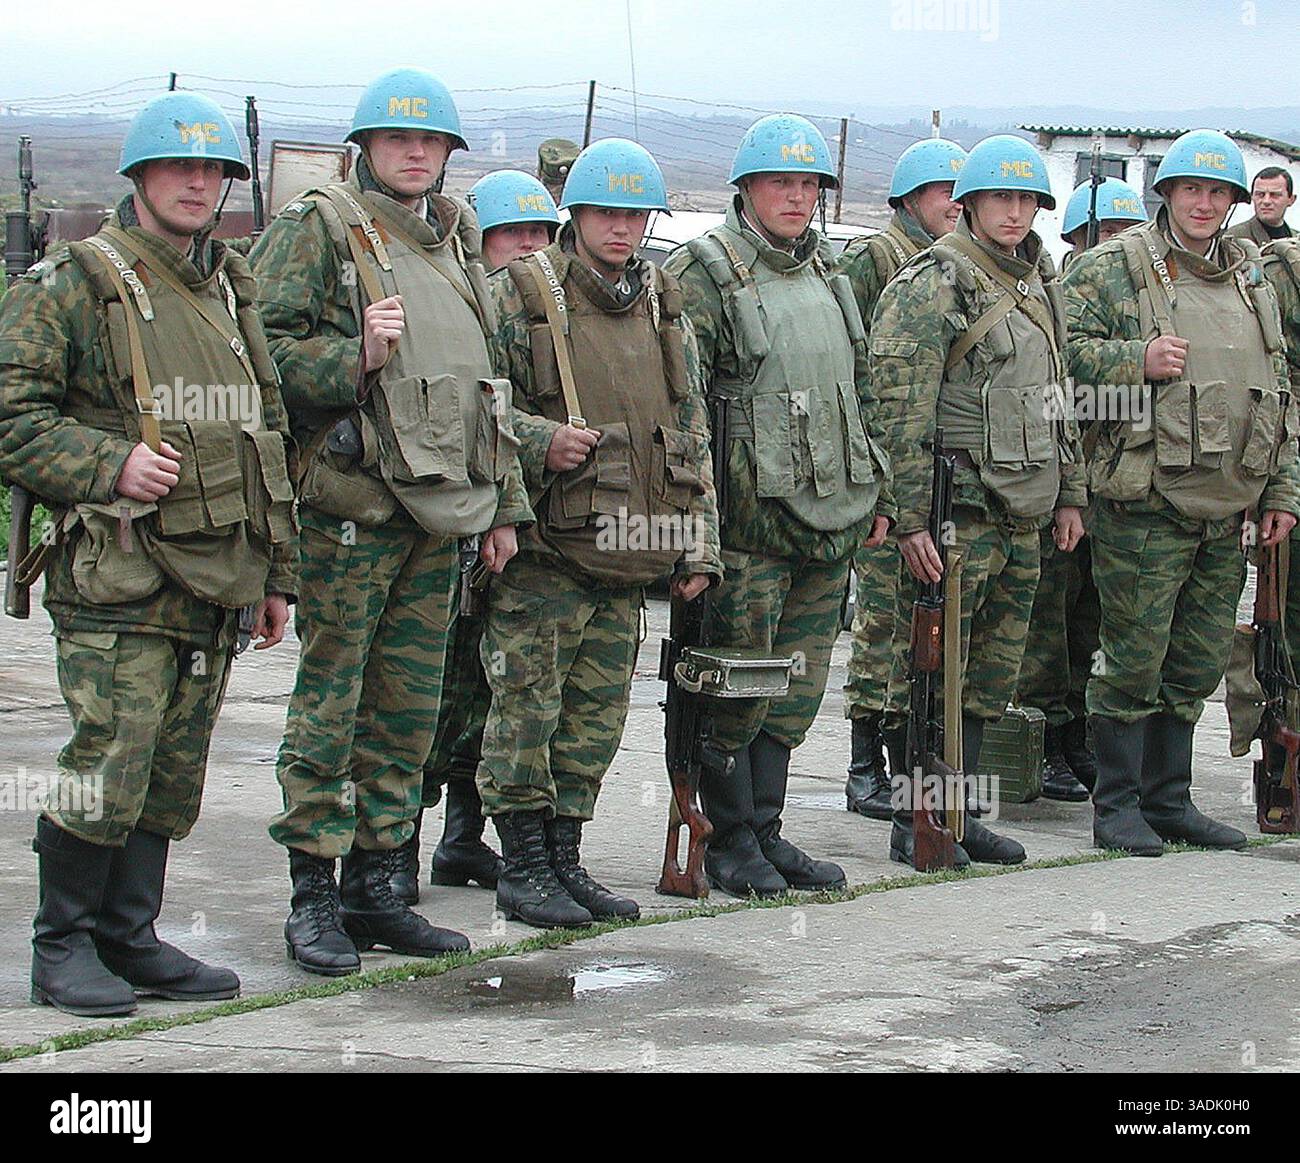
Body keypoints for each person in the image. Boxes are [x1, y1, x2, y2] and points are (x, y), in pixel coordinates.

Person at [0, 91, 296, 1015]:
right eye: (179, 167)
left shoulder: (230, 285)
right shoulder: (74, 282)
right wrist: (109, 463)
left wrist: (276, 572)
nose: (198, 182)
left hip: (217, 573)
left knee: (170, 769)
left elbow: (268, 433)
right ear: (139, 176)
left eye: (213, 170)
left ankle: (129, 935)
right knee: (109, 756)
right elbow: (13, 418)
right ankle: (63, 947)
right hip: (119, 575)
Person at [251, 68, 533, 974]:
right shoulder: (318, 227)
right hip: (350, 514)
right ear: (364, 147)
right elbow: (262, 361)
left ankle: (381, 884)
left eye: (431, 143)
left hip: (438, 516)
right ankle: (313, 893)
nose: (415, 154)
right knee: (333, 704)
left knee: (408, 711)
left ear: (449, 156)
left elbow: (488, 391)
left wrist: (502, 505)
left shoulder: (453, 240)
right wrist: (351, 356)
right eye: (397, 140)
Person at [481, 137, 722, 928]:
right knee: (528, 709)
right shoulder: (520, 293)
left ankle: (564, 859)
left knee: (594, 721)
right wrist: (534, 440)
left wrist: (699, 543)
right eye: (606, 213)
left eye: (634, 215)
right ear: (574, 214)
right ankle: (521, 866)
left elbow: (689, 432)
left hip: (631, 548)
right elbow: (474, 408)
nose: (621, 229)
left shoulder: (660, 302)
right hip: (547, 552)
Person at [666, 114, 892, 897]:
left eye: (808, 185)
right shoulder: (706, 272)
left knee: (796, 689)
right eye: (780, 183)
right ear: (747, 189)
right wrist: (697, 531)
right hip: (748, 531)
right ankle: (725, 840)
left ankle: (765, 828)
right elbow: (681, 403)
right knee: (739, 684)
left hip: (829, 518)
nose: (795, 198)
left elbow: (859, 391)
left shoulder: (831, 273)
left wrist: (879, 493)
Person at [1064, 129, 1300, 855]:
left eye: (1218, 192)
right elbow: (1059, 359)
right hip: (1144, 502)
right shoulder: (1114, 266)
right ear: (1165, 193)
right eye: (1191, 189)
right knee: (1132, 658)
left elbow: (1281, 387)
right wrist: (1134, 358)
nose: (1204, 203)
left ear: (1235, 202)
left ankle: (1171, 799)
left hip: (1228, 505)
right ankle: (1119, 805)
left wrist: (1281, 490)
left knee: (1195, 661)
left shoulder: (1251, 277)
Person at [871, 134, 1086, 868]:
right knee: (931, 675)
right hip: (954, 510)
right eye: (1002, 197)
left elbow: (1057, 400)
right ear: (968, 203)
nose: (1017, 211)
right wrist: (905, 518)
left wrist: (1071, 493)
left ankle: (961, 811)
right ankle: (915, 819)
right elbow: (896, 403)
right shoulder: (934, 279)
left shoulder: (1040, 285)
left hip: (1021, 510)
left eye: (1028, 199)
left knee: (989, 682)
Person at [391, 168, 564, 906]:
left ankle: (463, 839)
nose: (528, 248)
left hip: (513, 535)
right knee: (429, 701)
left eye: (540, 234)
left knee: (485, 702)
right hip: (445, 528)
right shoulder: (461, 306)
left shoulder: (542, 313)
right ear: (482, 240)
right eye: (514, 234)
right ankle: (394, 850)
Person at [838, 137, 966, 820]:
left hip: (928, 467)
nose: (953, 202)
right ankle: (864, 764)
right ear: (910, 198)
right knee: (883, 621)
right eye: (941, 190)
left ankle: (903, 764)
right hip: (883, 466)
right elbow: (862, 370)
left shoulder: (949, 267)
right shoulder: (875, 259)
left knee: (917, 627)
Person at [1017, 177, 1147, 800]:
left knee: (1091, 623)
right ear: (1076, 238)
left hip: (1112, 484)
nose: (1115, 245)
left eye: (1126, 234)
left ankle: (1078, 740)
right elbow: (1064, 381)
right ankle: (1043, 742)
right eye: (1104, 234)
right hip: (1061, 475)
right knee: (1047, 621)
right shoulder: (1062, 296)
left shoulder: (1145, 297)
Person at [1227, 165, 1296, 247]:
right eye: (1260, 194)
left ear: (1291, 200)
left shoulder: (1296, 240)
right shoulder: (1234, 238)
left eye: (1275, 195)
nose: (1266, 201)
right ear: (1252, 197)